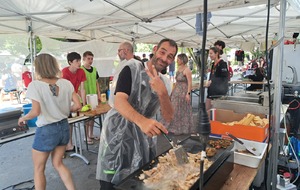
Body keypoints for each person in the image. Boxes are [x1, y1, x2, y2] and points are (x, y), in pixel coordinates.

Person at [96, 38, 178, 189]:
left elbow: (169, 116)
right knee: (110, 183)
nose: (165, 58)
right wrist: (142, 121)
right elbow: (119, 101)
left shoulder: (165, 82)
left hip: (144, 140)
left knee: (139, 181)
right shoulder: (132, 68)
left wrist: (163, 93)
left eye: (170, 56)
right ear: (155, 49)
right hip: (117, 135)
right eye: (163, 52)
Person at [17, 53, 81, 190]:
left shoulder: (35, 85)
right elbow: (78, 105)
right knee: (58, 164)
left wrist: (23, 118)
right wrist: (63, 108)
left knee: (39, 169)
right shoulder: (66, 83)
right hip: (64, 127)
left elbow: (35, 112)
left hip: (46, 130)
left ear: (38, 67)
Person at [62, 52, 86, 151]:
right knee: (65, 123)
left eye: (79, 60)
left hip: (74, 98)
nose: (79, 63)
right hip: (65, 99)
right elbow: (64, 91)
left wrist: (84, 104)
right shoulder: (64, 72)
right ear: (70, 62)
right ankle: (63, 146)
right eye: (76, 61)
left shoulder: (81, 72)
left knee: (71, 122)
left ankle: (69, 144)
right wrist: (76, 104)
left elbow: (82, 89)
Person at [164, 53, 194, 134]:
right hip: (177, 91)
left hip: (183, 91)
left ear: (182, 60)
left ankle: (181, 128)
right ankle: (173, 127)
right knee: (174, 108)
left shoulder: (187, 70)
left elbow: (190, 83)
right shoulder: (179, 69)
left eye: (178, 59)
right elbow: (176, 82)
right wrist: (172, 92)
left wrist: (188, 93)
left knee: (182, 109)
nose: (177, 60)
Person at [109, 41, 141, 107]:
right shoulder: (125, 65)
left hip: (128, 106)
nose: (118, 53)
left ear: (126, 50)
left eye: (119, 50)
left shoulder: (132, 66)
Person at [82, 51, 101, 144]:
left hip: (94, 96)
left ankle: (91, 133)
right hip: (85, 97)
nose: (90, 60)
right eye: (88, 58)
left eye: (91, 58)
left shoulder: (94, 69)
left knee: (93, 116)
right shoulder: (81, 70)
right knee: (87, 117)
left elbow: (97, 83)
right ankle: (86, 136)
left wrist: (99, 94)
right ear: (84, 59)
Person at [205, 46, 229, 111]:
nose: (210, 55)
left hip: (219, 92)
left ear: (216, 54)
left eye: (211, 53)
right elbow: (212, 75)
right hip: (211, 91)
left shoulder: (222, 64)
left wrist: (212, 81)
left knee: (214, 111)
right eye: (209, 54)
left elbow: (225, 78)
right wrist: (209, 81)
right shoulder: (213, 64)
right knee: (208, 109)